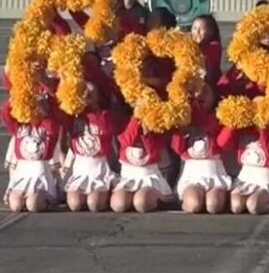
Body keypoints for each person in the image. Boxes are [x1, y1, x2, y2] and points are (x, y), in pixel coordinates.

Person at [172, 86, 231, 214]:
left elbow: (223, 143)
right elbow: (178, 148)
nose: (200, 95)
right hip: (192, 177)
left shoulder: (220, 117)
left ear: (214, 96)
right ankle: (185, 200)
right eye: (194, 91)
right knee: (194, 205)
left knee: (213, 206)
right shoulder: (184, 118)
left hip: (215, 176)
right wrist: (183, 121)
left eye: (206, 90)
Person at [2, 97, 65, 213]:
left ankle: (47, 198)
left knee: (33, 204)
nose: (34, 107)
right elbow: (5, 114)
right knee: (16, 205)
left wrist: (43, 112)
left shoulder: (49, 126)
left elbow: (53, 128)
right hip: (22, 172)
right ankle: (24, 195)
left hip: (40, 174)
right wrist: (17, 97)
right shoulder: (19, 126)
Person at [62, 84, 118, 212]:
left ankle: (109, 191)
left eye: (91, 92)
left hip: (99, 169)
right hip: (80, 169)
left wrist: (92, 106)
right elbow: (58, 115)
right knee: (75, 205)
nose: (87, 95)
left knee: (94, 204)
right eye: (84, 92)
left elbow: (106, 128)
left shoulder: (105, 115)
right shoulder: (72, 116)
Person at [111, 112, 172, 213]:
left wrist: (147, 134)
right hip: (128, 177)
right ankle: (131, 198)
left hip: (149, 177)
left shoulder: (157, 120)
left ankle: (155, 198)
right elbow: (126, 142)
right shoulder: (123, 118)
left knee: (141, 203)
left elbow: (154, 154)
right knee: (118, 205)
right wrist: (137, 118)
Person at [191, 15, 223, 86]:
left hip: (209, 84)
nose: (197, 32)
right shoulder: (190, 45)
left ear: (211, 32)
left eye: (202, 29)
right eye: (194, 28)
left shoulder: (214, 46)